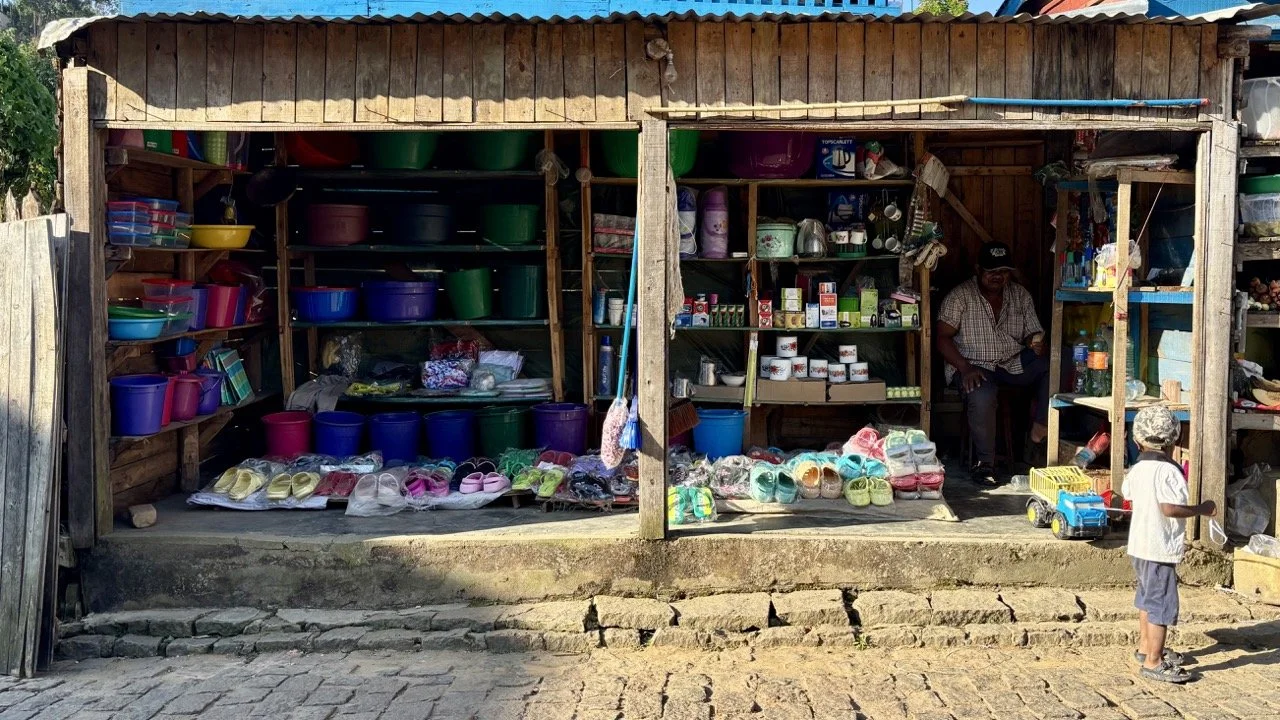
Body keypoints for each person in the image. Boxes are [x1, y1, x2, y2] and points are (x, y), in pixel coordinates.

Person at [936, 241, 1049, 486]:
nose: (998, 276)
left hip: (1012, 362)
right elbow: (941, 338)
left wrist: (1035, 341)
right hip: (973, 365)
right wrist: (965, 368)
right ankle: (985, 463)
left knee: (1056, 362)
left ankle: (1038, 432)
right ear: (978, 269)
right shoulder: (960, 297)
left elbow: (1033, 333)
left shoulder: (1019, 295)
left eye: (1004, 271)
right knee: (982, 394)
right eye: (991, 271)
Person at [1122, 405, 1216, 684]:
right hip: (1159, 547)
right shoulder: (1170, 472)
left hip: (1139, 545)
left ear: (1137, 441)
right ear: (1175, 441)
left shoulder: (1137, 469)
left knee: (1146, 600)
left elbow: (1128, 495)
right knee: (1161, 605)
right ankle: (1154, 661)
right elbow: (1169, 508)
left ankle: (1144, 647)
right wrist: (1201, 509)